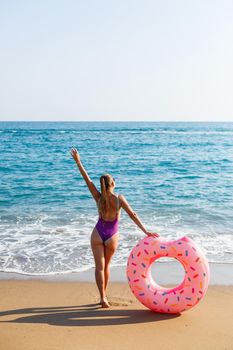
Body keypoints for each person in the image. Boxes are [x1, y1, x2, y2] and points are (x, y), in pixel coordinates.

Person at [70, 148, 159, 308]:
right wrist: (145, 231)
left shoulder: (98, 197)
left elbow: (87, 179)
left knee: (99, 267)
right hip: (112, 236)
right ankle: (104, 296)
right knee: (107, 267)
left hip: (98, 233)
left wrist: (78, 161)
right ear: (113, 183)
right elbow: (133, 215)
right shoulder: (119, 198)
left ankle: (102, 297)